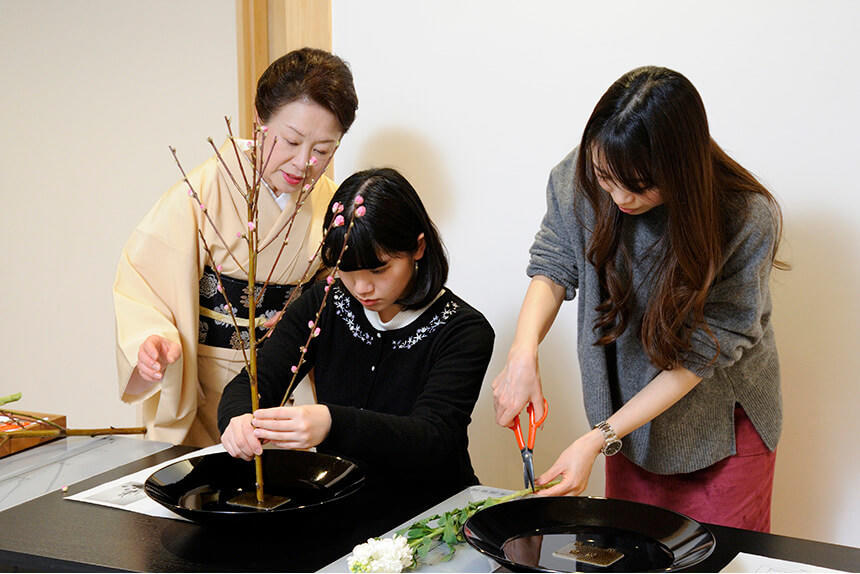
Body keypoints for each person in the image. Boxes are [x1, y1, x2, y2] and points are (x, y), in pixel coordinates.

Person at [492, 66, 785, 532]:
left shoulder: (744, 216)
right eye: (608, 178)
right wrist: (522, 354)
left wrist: (599, 437)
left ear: (681, 168)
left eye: (642, 184)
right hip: (630, 424)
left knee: (720, 562)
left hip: (719, 426)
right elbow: (553, 262)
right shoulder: (583, 175)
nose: (621, 196)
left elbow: (705, 351)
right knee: (631, 554)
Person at [114, 48, 358, 446]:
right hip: (205, 384)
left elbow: (341, 294)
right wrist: (151, 338)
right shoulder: (202, 190)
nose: (303, 163)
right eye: (292, 141)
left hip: (281, 390)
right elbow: (144, 280)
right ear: (259, 122)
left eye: (322, 151)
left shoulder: (332, 206)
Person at [218, 167, 495, 519]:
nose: (361, 287)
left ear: (418, 248)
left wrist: (333, 421)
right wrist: (238, 419)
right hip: (341, 506)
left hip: (433, 514)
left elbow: (433, 438)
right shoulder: (322, 304)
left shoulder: (463, 329)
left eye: (378, 270)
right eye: (345, 270)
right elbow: (255, 382)